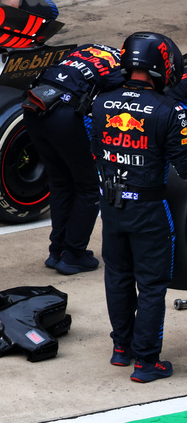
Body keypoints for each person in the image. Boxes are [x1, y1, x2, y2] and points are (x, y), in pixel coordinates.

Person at [89, 32, 187, 382]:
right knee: (151, 285)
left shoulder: (101, 102)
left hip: (112, 207)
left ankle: (121, 349)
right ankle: (147, 362)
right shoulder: (167, 110)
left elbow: (93, 149)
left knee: (117, 277)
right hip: (149, 211)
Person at [23, 43, 125, 274]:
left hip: (32, 107)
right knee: (88, 187)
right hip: (63, 115)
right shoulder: (123, 66)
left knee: (60, 182)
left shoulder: (87, 48)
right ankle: (73, 254)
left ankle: (56, 250)